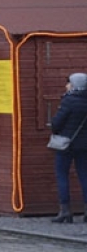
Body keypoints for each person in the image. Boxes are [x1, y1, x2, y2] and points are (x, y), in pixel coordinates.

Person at [50, 72, 87, 223]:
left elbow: (56, 124)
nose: (66, 85)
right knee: (84, 175)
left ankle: (65, 211)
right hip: (84, 145)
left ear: (74, 85)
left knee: (62, 175)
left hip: (66, 144)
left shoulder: (68, 101)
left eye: (69, 83)